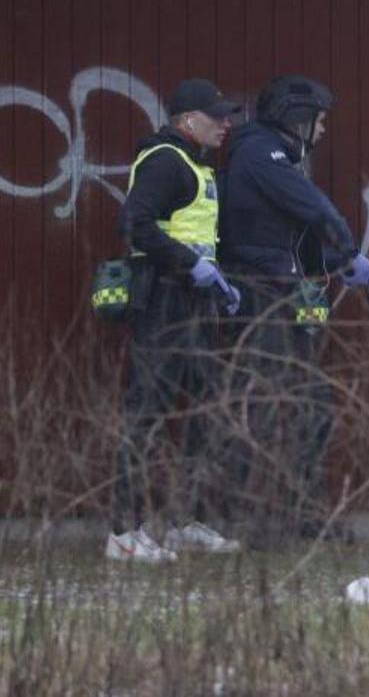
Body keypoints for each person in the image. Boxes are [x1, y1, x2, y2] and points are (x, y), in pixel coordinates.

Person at [217, 74, 369, 541]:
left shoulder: (275, 159)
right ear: (297, 117)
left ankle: (304, 514)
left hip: (279, 290)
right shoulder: (259, 153)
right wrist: (348, 248)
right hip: (259, 295)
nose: (323, 130)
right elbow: (315, 208)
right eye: (319, 121)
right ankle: (258, 520)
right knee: (269, 406)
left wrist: (335, 264)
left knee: (310, 405)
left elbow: (291, 246)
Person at [107, 78, 244, 562]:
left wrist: (217, 282)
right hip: (164, 302)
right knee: (146, 414)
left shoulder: (194, 165)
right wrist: (191, 265)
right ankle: (124, 534)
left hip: (192, 303)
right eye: (217, 116)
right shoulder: (166, 161)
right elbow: (135, 224)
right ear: (188, 120)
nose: (226, 124)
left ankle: (186, 522)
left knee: (203, 413)